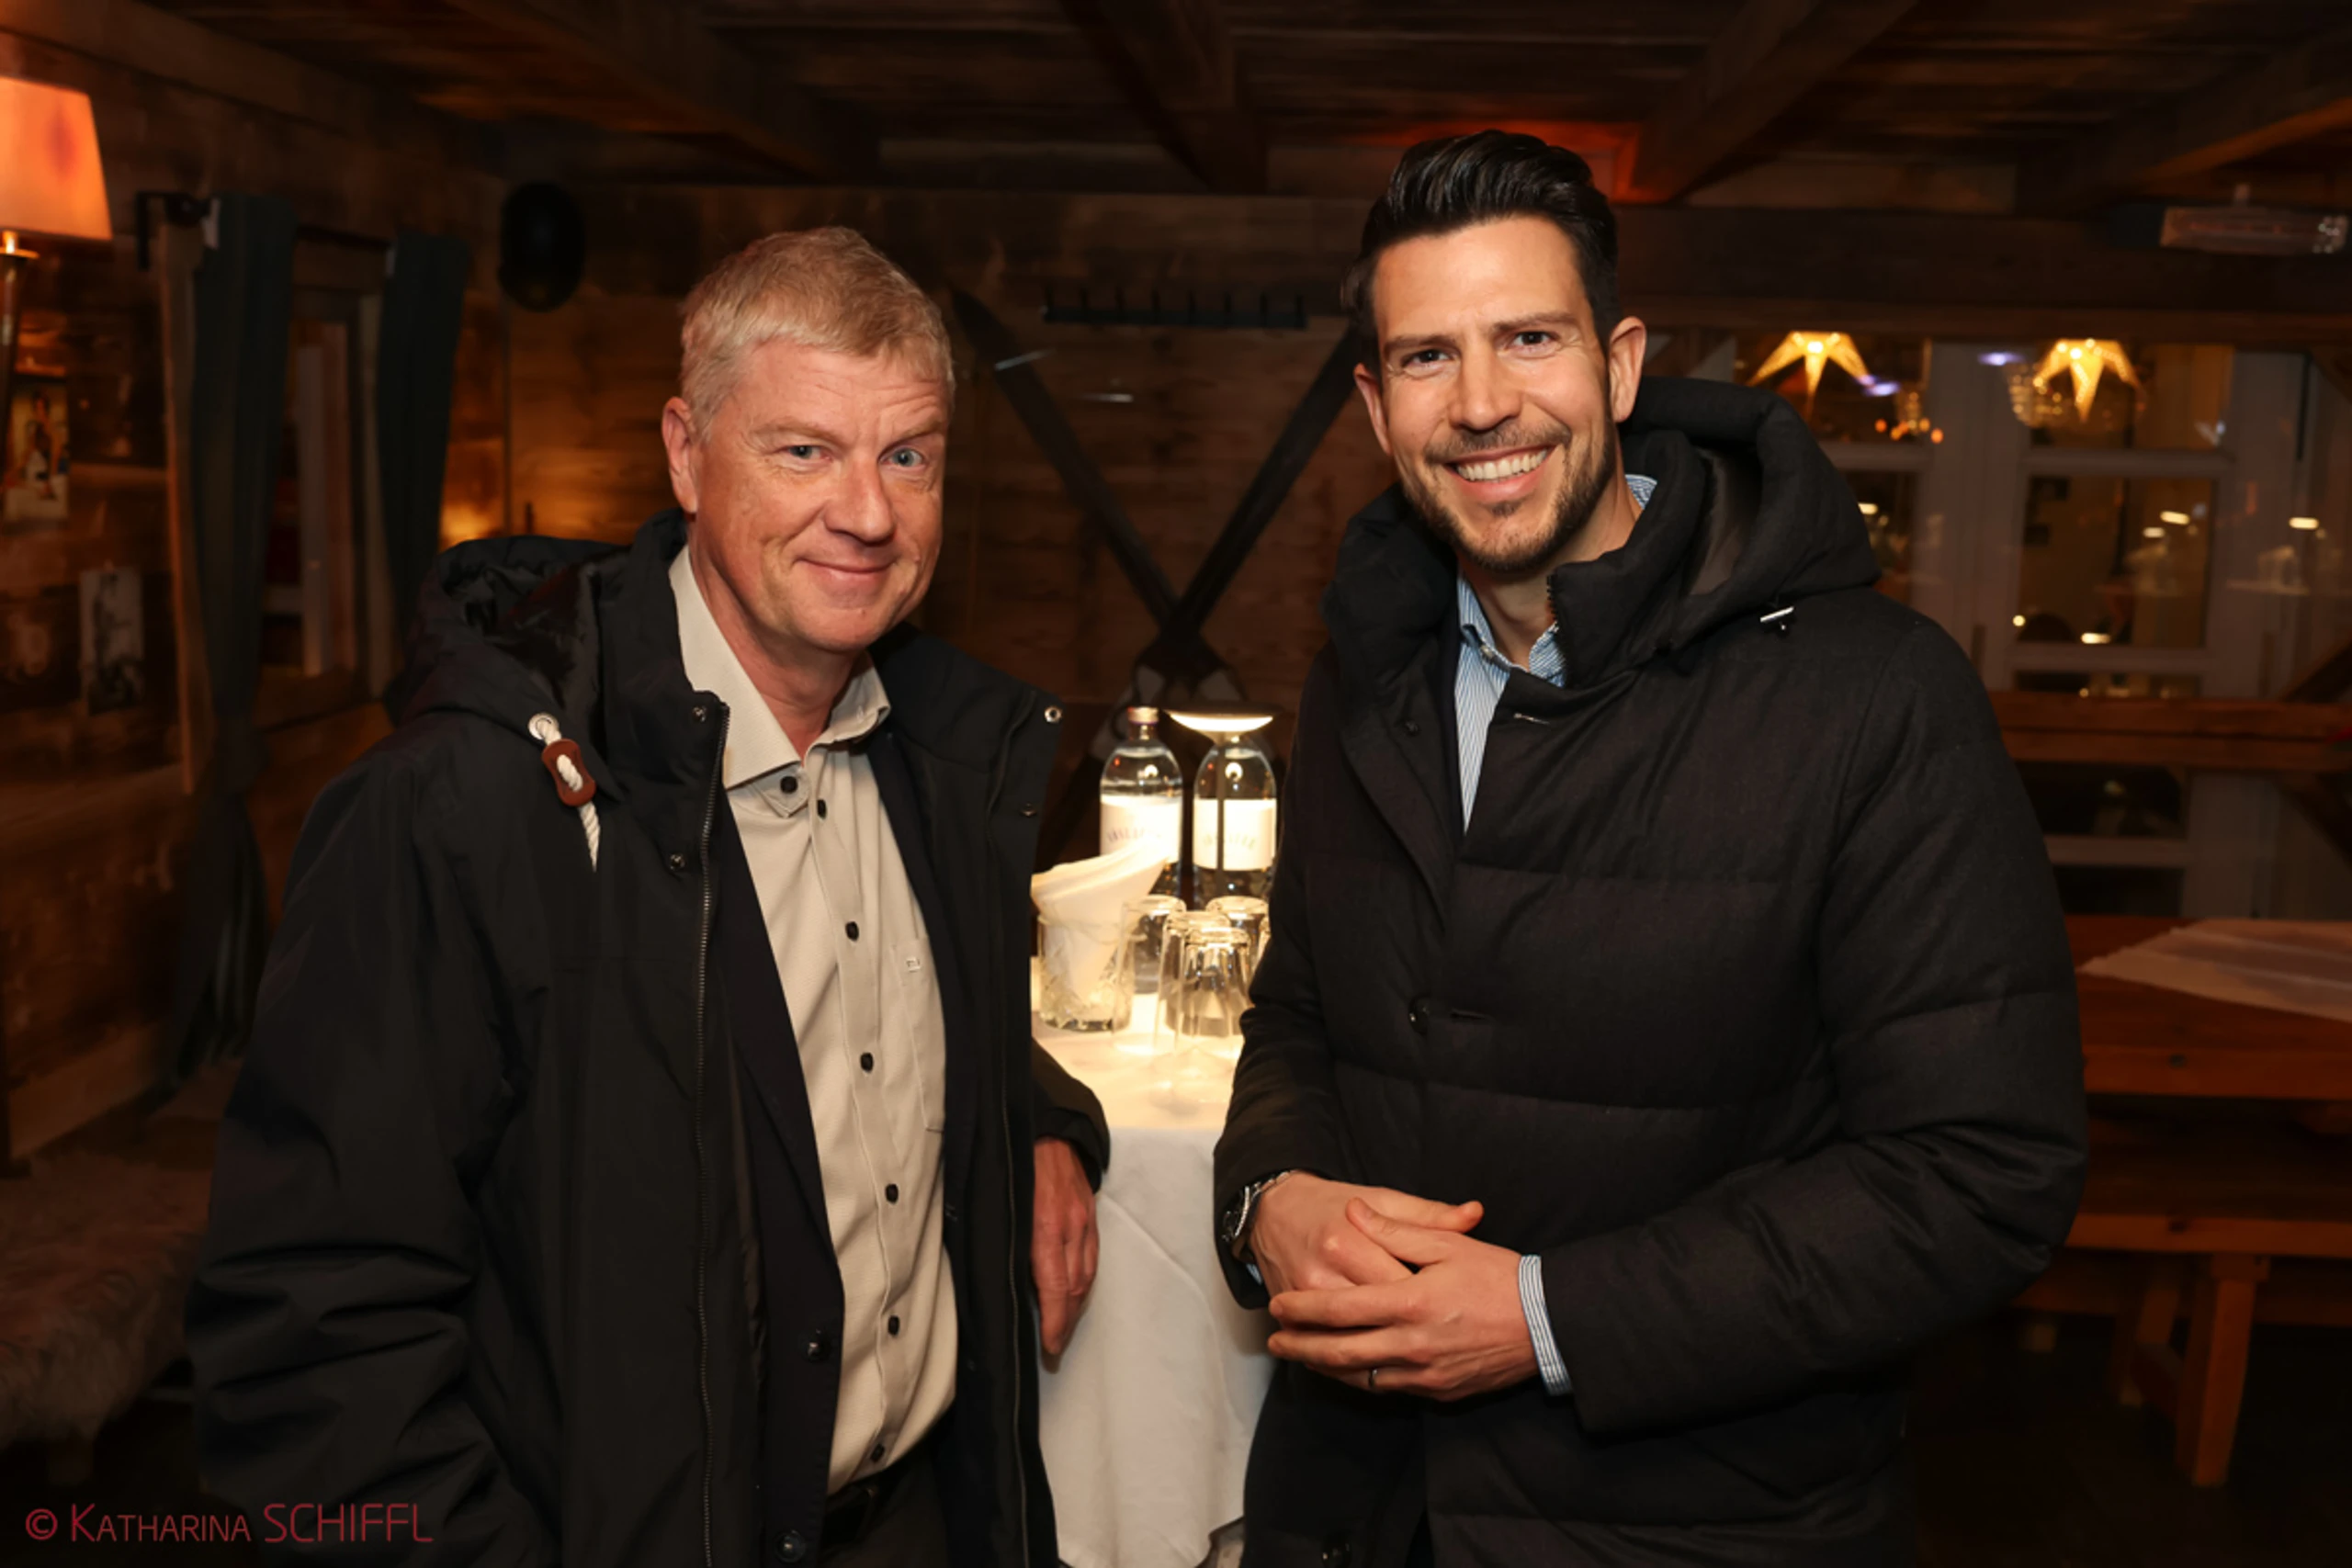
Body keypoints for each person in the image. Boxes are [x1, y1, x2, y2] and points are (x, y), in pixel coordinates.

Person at [1213, 132, 2086, 1565]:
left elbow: (1982, 1169)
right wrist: (1271, 1197)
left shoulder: (1875, 696)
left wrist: (1546, 1317)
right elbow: (1299, 1017)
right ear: (1375, 406)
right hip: (1361, 1507)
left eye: (1530, 338)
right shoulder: (1363, 676)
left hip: (1701, 1523)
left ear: (1619, 366)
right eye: (1428, 357)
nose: (1481, 403)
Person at [190, 227, 1107, 1568]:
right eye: (805, 451)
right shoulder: (469, 805)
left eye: (908, 455)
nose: (868, 511)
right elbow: (313, 1339)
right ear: (685, 452)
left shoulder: (937, 759)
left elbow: (893, 1029)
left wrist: (1037, 1120)